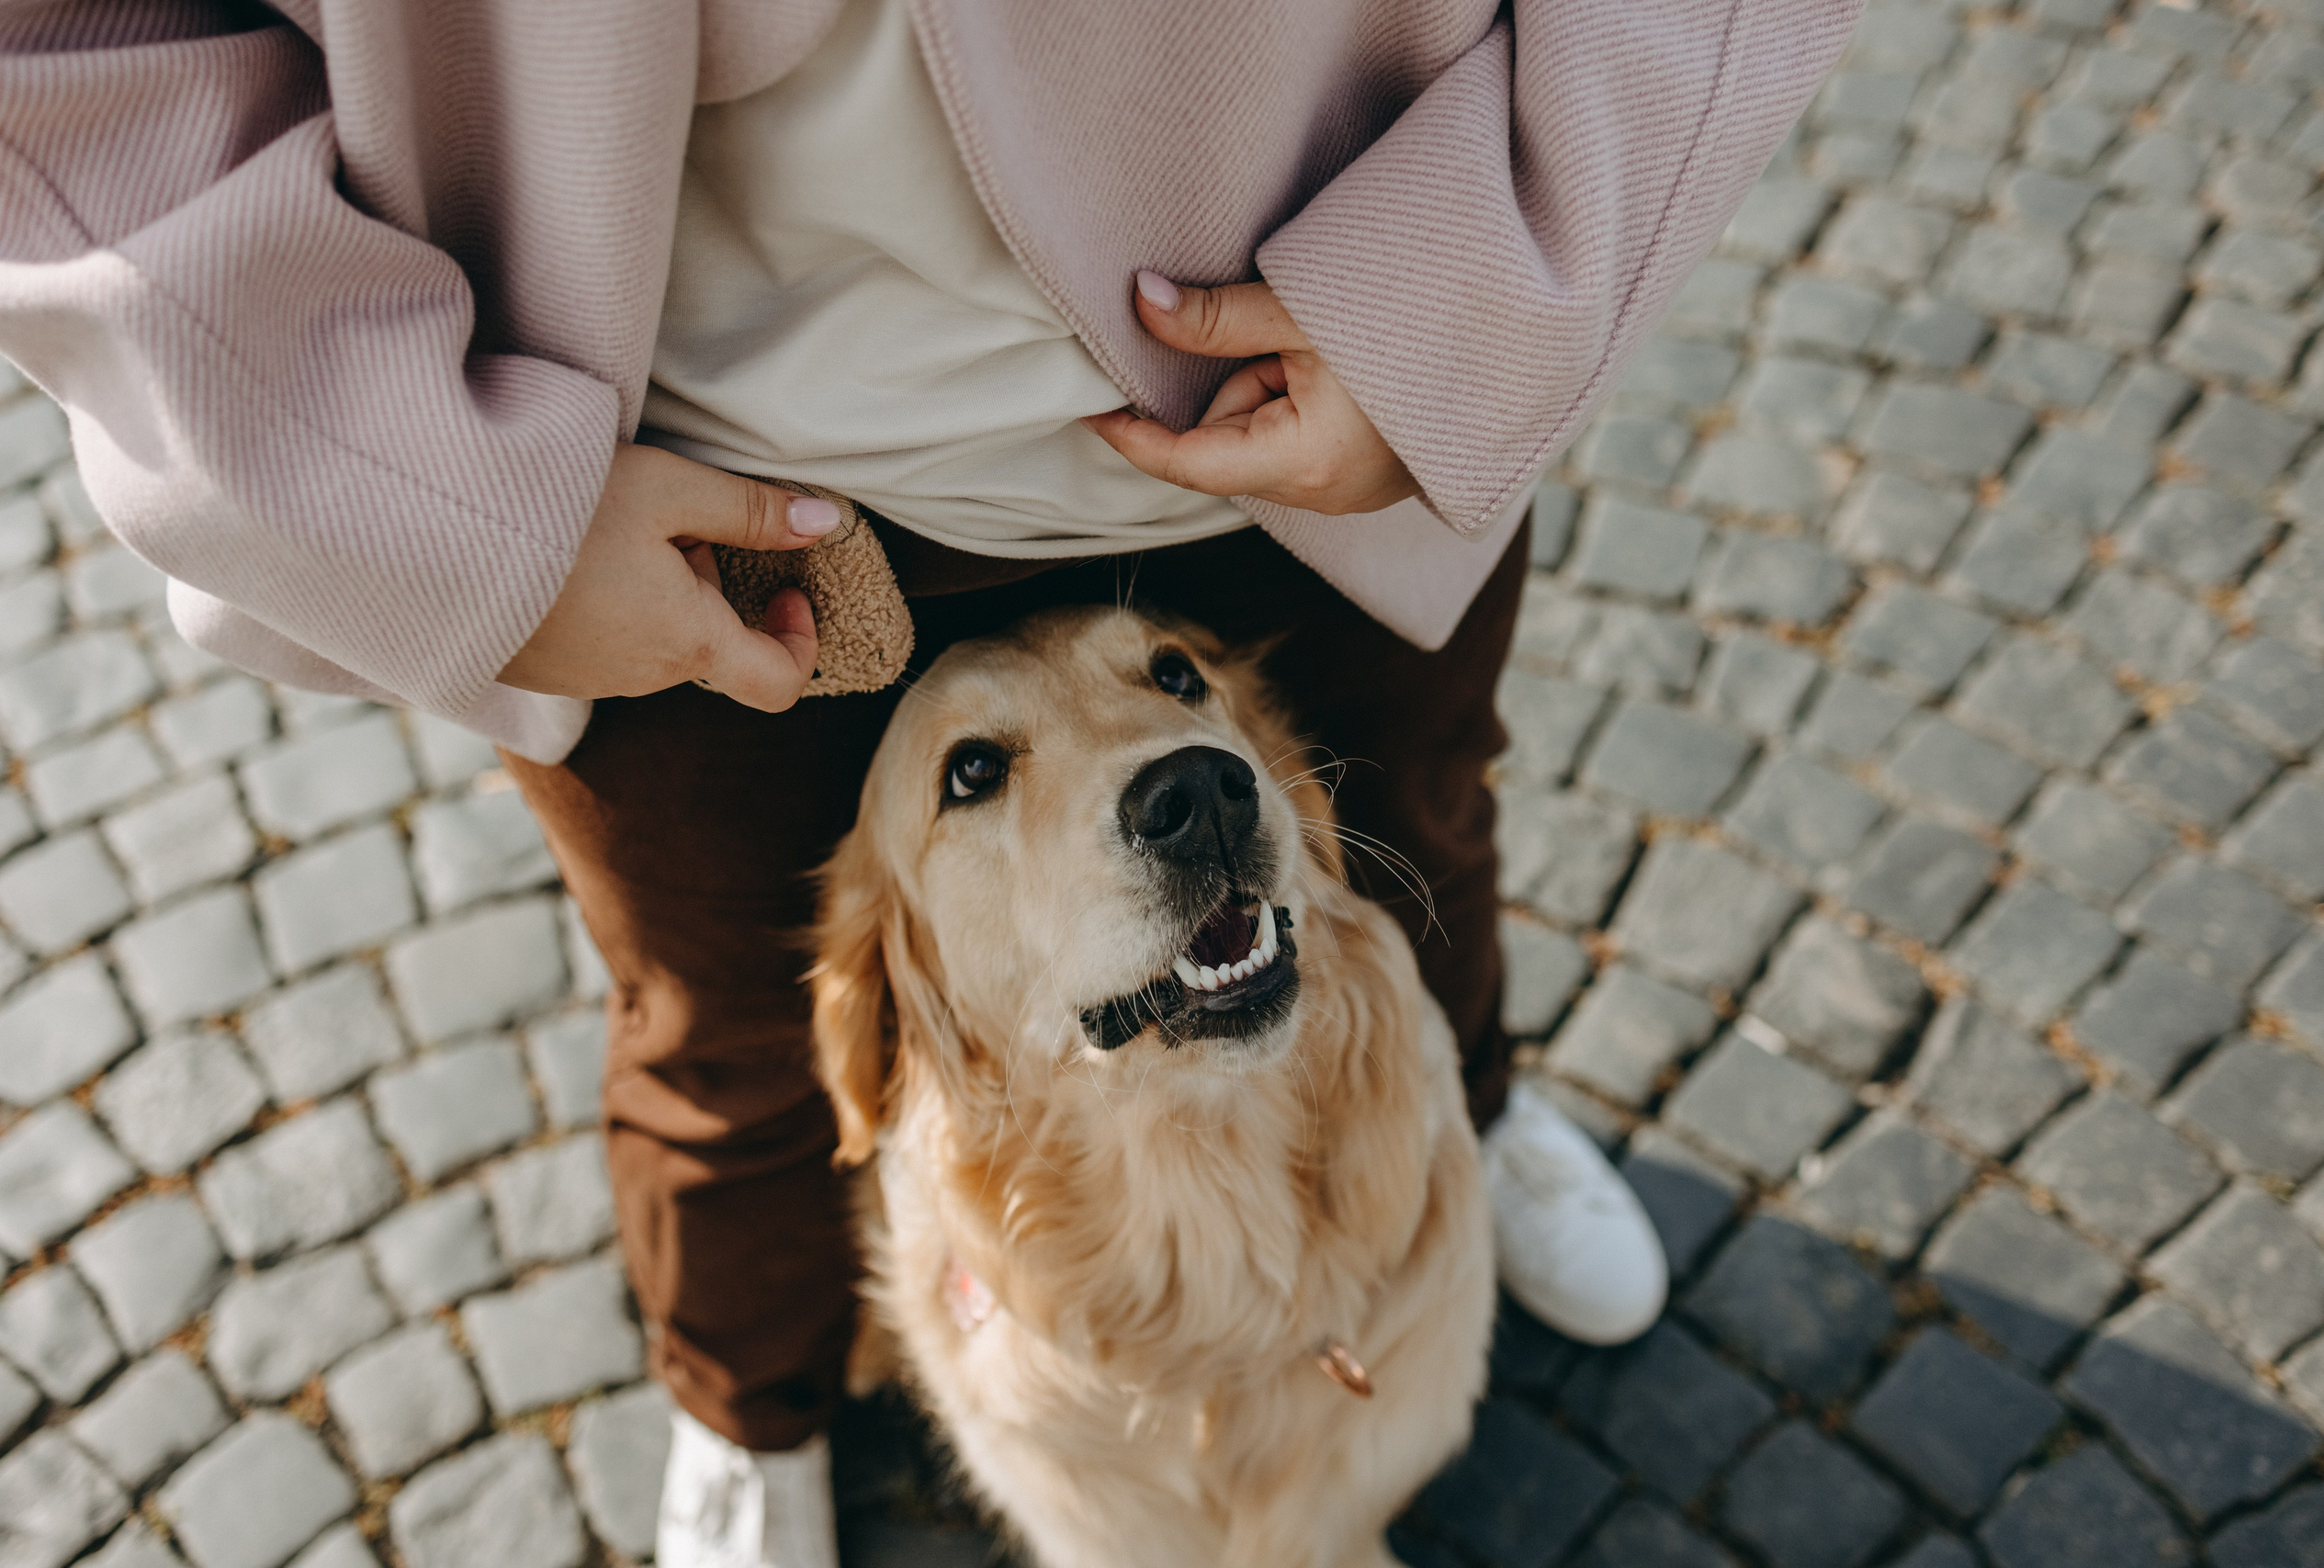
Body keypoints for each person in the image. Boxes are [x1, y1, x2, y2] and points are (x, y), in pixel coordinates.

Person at [0, 2, 1861, 1562]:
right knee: (727, 1027)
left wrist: (1506, 259)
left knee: (1397, 849)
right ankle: (752, 1384)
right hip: (632, 450)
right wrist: (424, 473)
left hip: (1320, 334)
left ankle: (1453, 1139)